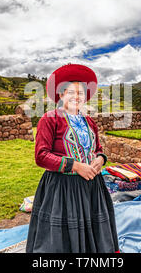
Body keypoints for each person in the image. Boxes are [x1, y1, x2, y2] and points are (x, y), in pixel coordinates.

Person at [25, 63, 119, 253]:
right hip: (62, 189)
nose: (77, 97)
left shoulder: (89, 122)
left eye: (81, 93)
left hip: (92, 186)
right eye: (71, 92)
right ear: (61, 95)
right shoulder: (49, 119)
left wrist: (100, 160)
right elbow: (41, 156)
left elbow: (98, 149)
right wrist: (75, 166)